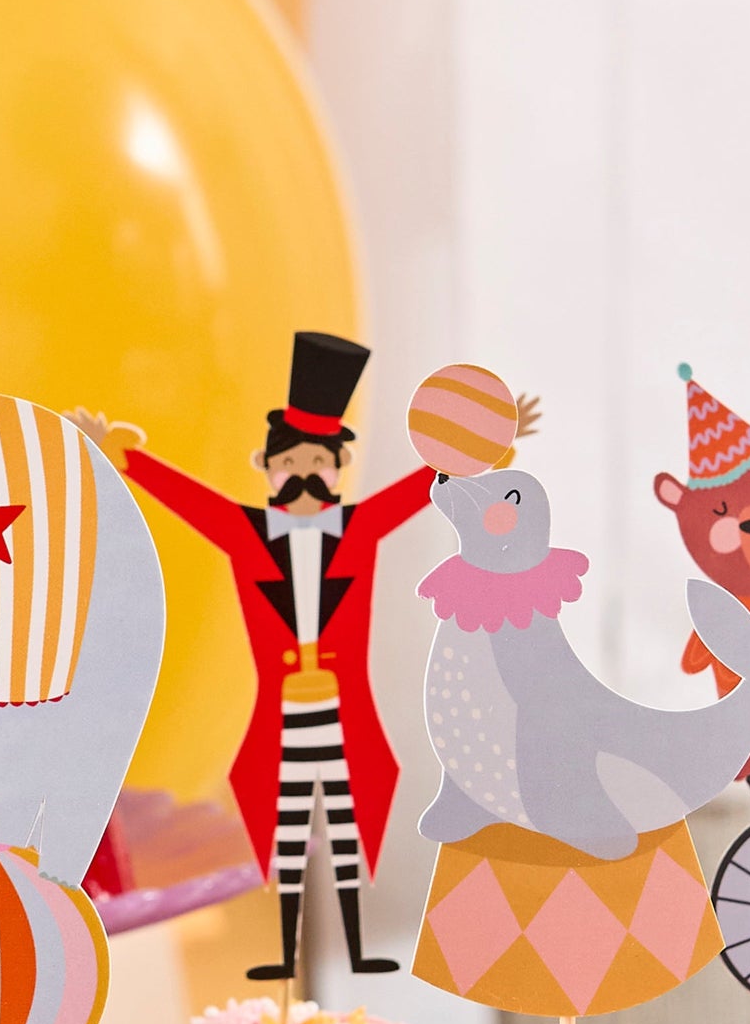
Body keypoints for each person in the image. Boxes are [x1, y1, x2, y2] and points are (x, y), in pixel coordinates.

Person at [76, 333, 535, 981]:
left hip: (345, 721)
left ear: (339, 471)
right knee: (287, 839)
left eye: (320, 462)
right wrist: (124, 459)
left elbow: (417, 489)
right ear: (266, 466)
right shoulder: (249, 535)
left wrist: (480, 451)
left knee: (345, 835)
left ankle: (354, 947)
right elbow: (192, 502)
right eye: (292, 464)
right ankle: (286, 957)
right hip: (281, 722)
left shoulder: (357, 530)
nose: (305, 476)